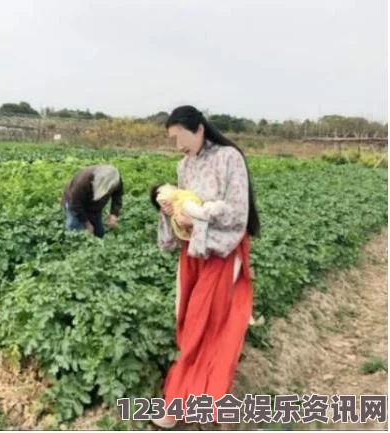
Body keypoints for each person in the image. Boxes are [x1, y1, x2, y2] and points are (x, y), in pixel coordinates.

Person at [152, 105, 261, 429]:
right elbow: (183, 210)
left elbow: (237, 213)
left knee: (210, 328)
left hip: (220, 253)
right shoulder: (183, 166)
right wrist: (171, 210)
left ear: (199, 128)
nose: (178, 146)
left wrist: (196, 213)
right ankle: (193, 400)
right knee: (188, 324)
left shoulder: (230, 158)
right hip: (192, 254)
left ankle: (194, 404)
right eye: (172, 140)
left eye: (180, 137)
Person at [61, 164, 123, 238]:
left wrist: (114, 214)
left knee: (99, 233)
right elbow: (75, 205)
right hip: (73, 203)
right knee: (77, 232)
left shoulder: (115, 179)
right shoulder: (83, 182)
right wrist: (87, 224)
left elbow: (118, 195)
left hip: (95, 207)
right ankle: (72, 245)